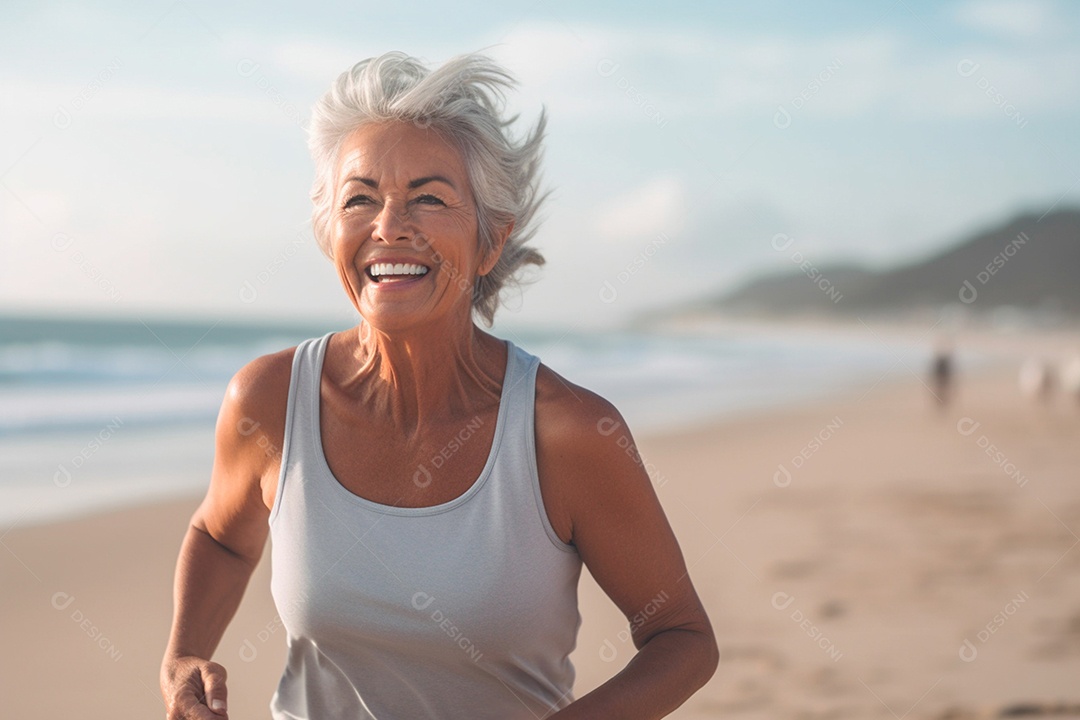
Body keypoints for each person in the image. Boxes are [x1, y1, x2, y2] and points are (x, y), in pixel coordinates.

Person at [159, 51, 717, 719]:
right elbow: (223, 536)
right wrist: (183, 654)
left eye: (429, 197)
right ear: (329, 230)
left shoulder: (564, 432)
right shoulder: (269, 401)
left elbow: (681, 638)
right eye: (360, 198)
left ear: (489, 243)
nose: (389, 226)